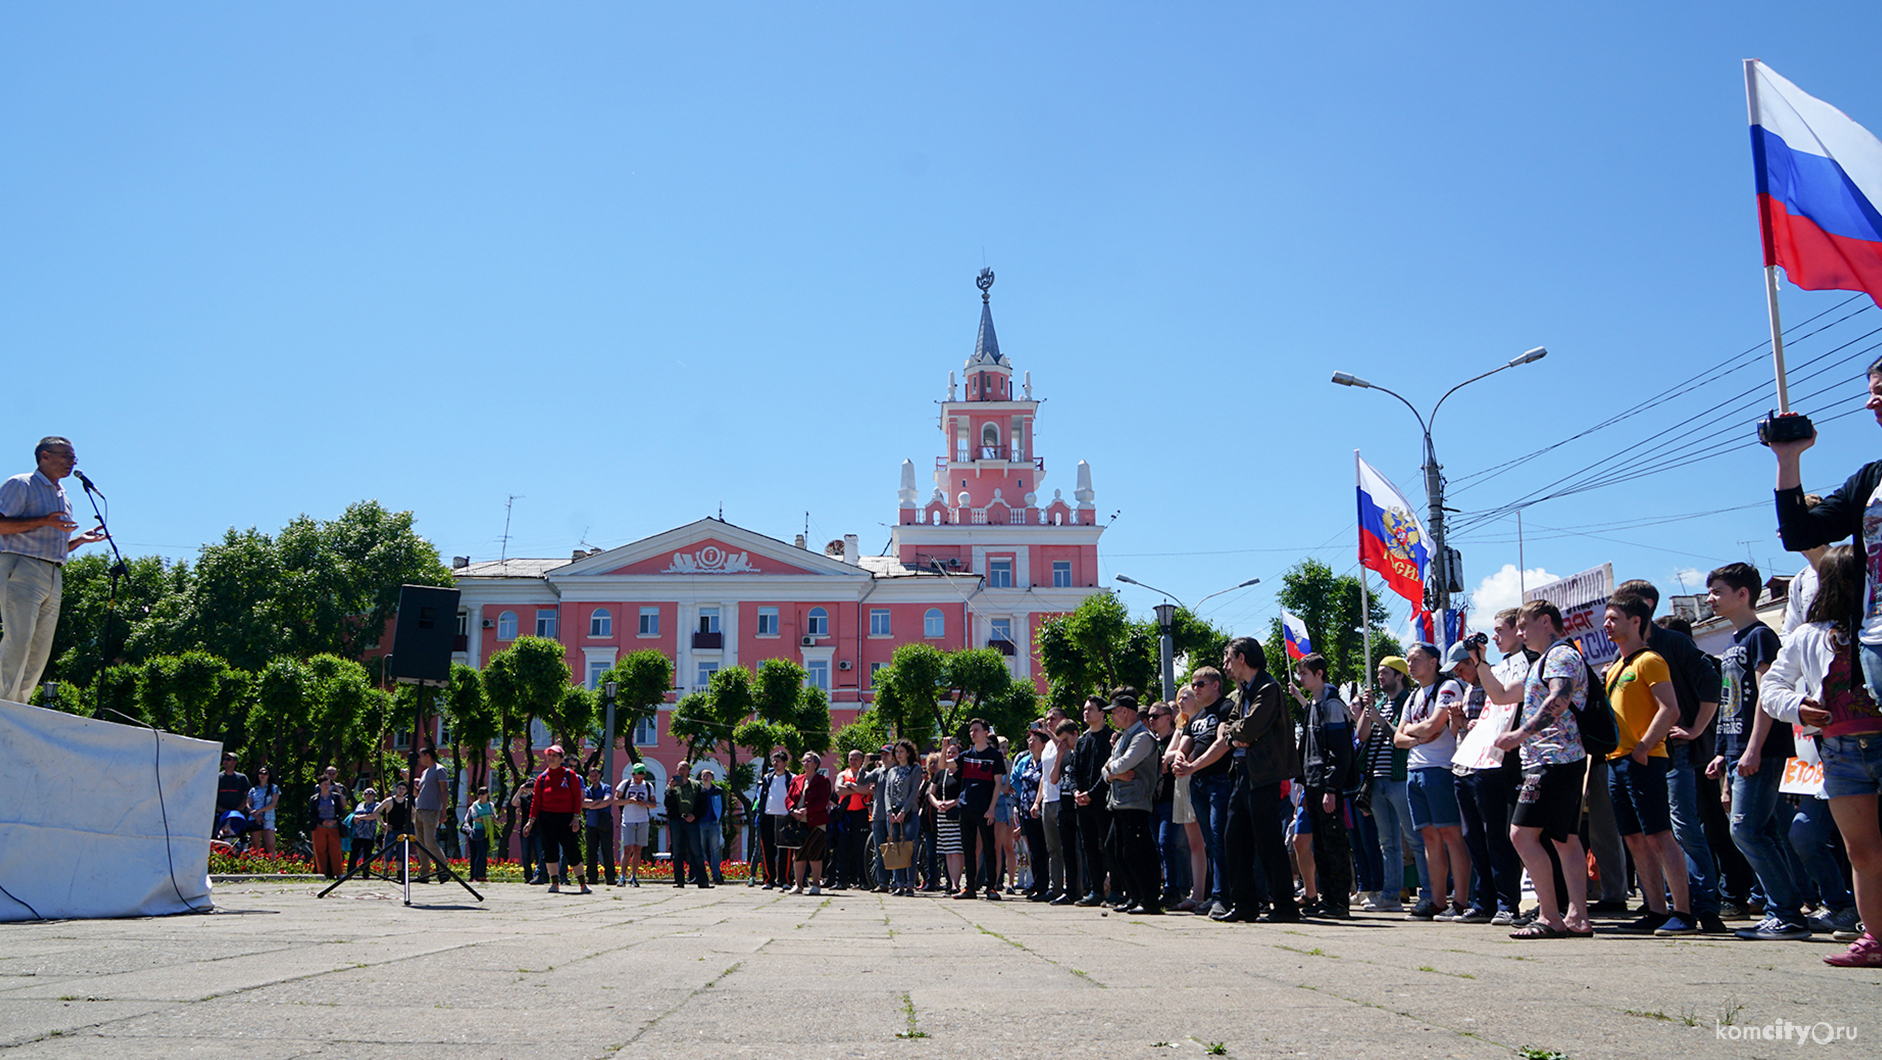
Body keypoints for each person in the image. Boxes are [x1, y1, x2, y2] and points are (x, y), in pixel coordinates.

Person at [1759, 544, 1882, 966]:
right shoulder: (1806, 636)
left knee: (1864, 851)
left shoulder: (1877, 627)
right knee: (1862, 852)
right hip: (1839, 751)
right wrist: (1798, 707)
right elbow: (1771, 689)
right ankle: (1875, 938)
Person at [1616, 578, 1728, 933]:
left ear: (1643, 610)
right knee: (1645, 833)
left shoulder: (1670, 643)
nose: (1611, 622)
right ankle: (1660, 907)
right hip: (1635, 757)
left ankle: (1703, 907)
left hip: (1673, 751)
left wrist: (1696, 729)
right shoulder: (1623, 657)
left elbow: (1713, 682)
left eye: (1622, 611)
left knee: (1681, 828)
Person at [1479, 600, 1593, 939]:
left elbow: (1559, 697)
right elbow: (1500, 695)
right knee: (1564, 839)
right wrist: (1480, 662)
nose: (1521, 633)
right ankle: (1577, 916)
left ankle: (1550, 915)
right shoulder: (1545, 661)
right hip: (1558, 760)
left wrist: (1521, 733)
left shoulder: (1561, 655)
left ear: (1547, 622)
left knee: (1521, 835)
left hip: (1552, 759)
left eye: (1525, 626)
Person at [1600, 593, 1694, 936]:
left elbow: (1670, 708)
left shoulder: (1649, 661)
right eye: (1607, 618)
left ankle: (1682, 911)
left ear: (1636, 621)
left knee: (1659, 835)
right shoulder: (1616, 668)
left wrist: (1643, 747)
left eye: (1614, 618)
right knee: (1635, 839)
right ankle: (1656, 909)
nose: (1607, 624)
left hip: (1644, 760)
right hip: (1616, 760)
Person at [0, 436, 107, 704]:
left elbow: (51, 541)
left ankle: (19, 709)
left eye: (74, 458)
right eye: (67, 456)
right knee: (19, 640)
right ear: (45, 455)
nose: (72, 462)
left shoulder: (64, 497)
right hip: (21, 566)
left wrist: (80, 540)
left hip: (53, 572)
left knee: (40, 650)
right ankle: (2, 703)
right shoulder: (22, 483)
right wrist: (43, 521)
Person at [1453, 616, 1529, 927]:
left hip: (1501, 760)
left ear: (1518, 631)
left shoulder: (1527, 664)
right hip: (1472, 757)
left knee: (1497, 834)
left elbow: (1503, 698)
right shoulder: (1494, 669)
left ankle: (1507, 902)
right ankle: (1482, 900)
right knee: (1473, 834)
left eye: (1500, 631)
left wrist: (1482, 662)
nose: (1495, 637)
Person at [1220, 636, 1298, 923]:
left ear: (1243, 658)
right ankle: (1244, 905)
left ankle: (1285, 907)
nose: (1227, 665)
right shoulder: (1243, 692)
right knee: (1233, 838)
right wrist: (1234, 735)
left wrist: (1238, 734)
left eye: (1230, 658)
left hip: (1264, 774)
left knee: (1268, 842)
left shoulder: (1268, 687)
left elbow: (1251, 727)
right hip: (1243, 774)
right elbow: (1230, 726)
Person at [1396, 643, 1471, 921]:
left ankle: (1461, 900)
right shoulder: (1413, 695)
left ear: (1433, 662)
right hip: (1415, 771)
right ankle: (1436, 900)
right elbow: (1398, 738)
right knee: (1429, 838)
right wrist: (1420, 736)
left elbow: (1435, 725)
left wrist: (1416, 733)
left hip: (1440, 769)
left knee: (1452, 835)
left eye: (1416, 659)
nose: (1411, 665)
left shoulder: (1448, 687)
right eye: (1408, 660)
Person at [1356, 657, 1429, 913]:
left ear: (1400, 675)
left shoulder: (1407, 702)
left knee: (1414, 838)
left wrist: (1380, 721)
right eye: (1377, 673)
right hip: (1376, 779)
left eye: (1384, 672)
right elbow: (1362, 736)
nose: (1379, 677)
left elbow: (1402, 735)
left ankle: (1428, 893)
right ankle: (1390, 894)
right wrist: (1368, 713)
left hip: (1399, 777)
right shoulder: (1378, 705)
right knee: (1387, 842)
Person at [1291, 653, 1354, 919]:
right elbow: (1307, 749)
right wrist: (1305, 784)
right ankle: (1326, 899)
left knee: (1333, 845)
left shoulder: (1332, 704)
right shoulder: (1313, 705)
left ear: (1319, 674)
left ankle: (1338, 902)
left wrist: (1331, 788)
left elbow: (1340, 752)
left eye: (1305, 673)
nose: (1301, 678)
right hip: (1314, 783)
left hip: (1327, 786)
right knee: (1321, 845)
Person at [1172, 668, 1235, 916]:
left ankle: (1222, 897)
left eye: (1201, 684)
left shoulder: (1225, 708)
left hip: (1219, 781)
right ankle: (1211, 894)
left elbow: (1222, 743)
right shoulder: (1197, 716)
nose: (1195, 688)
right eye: (1193, 684)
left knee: (1219, 839)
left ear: (1216, 685)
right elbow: (1184, 744)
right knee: (1209, 842)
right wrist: (1180, 758)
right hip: (1197, 784)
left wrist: (1192, 766)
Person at [1101, 692, 1161, 915]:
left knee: (1138, 851)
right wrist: (1113, 774)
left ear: (1125, 712)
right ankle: (1134, 896)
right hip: (1119, 802)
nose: (1112, 717)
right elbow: (1107, 770)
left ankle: (1149, 899)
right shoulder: (1123, 737)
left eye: (1114, 712)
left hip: (1135, 803)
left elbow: (1123, 764)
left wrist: (1112, 771)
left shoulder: (1142, 737)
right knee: (1116, 849)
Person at [522, 745, 590, 895]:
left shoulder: (569, 775)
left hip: (566, 818)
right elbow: (536, 801)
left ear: (561, 759)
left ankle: (583, 884)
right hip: (546, 818)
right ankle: (554, 883)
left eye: (554, 755)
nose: (551, 758)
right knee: (550, 851)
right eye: (549, 755)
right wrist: (530, 821)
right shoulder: (542, 777)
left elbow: (576, 798)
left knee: (572, 851)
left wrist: (576, 818)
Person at [954, 719, 1008, 901]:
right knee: (968, 849)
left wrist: (992, 808)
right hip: (966, 807)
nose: (972, 733)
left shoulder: (994, 755)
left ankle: (991, 886)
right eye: (971, 730)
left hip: (985, 809)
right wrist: (946, 747)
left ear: (985, 732)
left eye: (976, 730)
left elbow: (998, 783)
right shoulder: (966, 755)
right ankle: (969, 887)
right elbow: (945, 766)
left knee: (989, 847)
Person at [787, 751, 832, 895]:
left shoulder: (822, 780)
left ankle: (816, 884)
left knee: (815, 853)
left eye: (809, 760)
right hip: (799, 821)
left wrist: (807, 810)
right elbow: (788, 798)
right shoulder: (797, 780)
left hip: (816, 822)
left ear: (816, 764)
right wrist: (793, 810)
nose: (805, 763)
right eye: (804, 761)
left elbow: (823, 801)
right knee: (798, 854)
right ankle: (798, 884)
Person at [883, 739, 923, 896]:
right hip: (893, 813)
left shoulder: (915, 769)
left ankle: (910, 884)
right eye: (897, 752)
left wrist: (904, 812)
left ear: (908, 753)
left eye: (901, 751)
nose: (899, 755)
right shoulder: (892, 771)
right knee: (896, 848)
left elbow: (914, 793)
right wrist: (889, 811)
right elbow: (887, 792)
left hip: (909, 813)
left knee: (909, 849)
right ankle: (899, 884)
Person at [833, 750, 873, 890]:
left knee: (861, 848)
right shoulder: (842, 775)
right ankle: (841, 880)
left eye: (856, 759)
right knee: (842, 847)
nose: (853, 761)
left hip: (861, 814)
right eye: (851, 759)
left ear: (862, 760)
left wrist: (850, 786)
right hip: (845, 815)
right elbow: (838, 790)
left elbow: (868, 790)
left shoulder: (867, 775)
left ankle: (863, 880)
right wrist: (858, 789)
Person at [930, 746, 966, 892]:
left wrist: (953, 803)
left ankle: (956, 884)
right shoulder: (940, 774)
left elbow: (966, 793)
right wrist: (937, 803)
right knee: (947, 850)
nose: (951, 755)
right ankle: (951, 883)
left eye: (954, 753)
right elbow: (931, 793)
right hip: (942, 814)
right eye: (948, 753)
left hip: (956, 814)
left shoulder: (963, 773)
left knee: (956, 849)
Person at [755, 752, 793, 889]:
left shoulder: (791, 778)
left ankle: (785, 880)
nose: (775, 763)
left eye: (778, 761)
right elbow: (761, 798)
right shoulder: (767, 778)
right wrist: (760, 815)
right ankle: (769, 879)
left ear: (785, 763)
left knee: (785, 851)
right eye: (773, 761)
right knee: (767, 850)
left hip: (785, 817)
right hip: (768, 817)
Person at [617, 763, 657, 887]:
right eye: (637, 777)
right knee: (627, 848)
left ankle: (633, 876)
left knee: (638, 849)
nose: (639, 780)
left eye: (641, 777)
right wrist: (629, 801)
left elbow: (654, 803)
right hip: (628, 819)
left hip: (643, 820)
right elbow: (616, 800)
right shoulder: (625, 784)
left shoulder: (648, 786)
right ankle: (622, 876)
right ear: (633, 774)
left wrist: (645, 803)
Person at [308, 766, 351, 880]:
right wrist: (322, 821)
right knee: (320, 850)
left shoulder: (335, 797)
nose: (326, 786)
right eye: (324, 784)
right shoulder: (314, 798)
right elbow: (311, 813)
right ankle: (321, 873)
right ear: (320, 786)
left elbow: (341, 810)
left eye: (328, 784)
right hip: (319, 826)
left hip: (334, 826)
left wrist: (334, 820)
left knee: (335, 850)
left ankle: (338, 873)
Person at [580, 767, 617, 887]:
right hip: (591, 824)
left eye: (595, 775)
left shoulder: (606, 787)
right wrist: (598, 802)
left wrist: (592, 805)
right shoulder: (587, 789)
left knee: (607, 850)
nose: (594, 778)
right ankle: (592, 878)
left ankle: (610, 878)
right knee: (591, 852)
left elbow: (607, 801)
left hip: (605, 824)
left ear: (600, 775)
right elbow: (583, 803)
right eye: (591, 776)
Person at [696, 767, 726, 884]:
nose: (705, 777)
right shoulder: (699, 790)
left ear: (712, 778)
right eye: (703, 775)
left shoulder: (718, 790)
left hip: (714, 823)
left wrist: (719, 819)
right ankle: (702, 876)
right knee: (700, 850)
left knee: (715, 851)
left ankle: (716, 876)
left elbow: (723, 806)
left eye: (707, 775)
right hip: (701, 823)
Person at [377, 781, 413, 877]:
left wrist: (409, 823)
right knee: (387, 852)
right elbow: (376, 811)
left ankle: (399, 873)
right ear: (396, 789)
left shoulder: (407, 802)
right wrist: (383, 824)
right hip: (391, 831)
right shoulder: (389, 801)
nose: (401, 791)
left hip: (402, 831)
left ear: (406, 791)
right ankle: (385, 872)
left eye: (403, 789)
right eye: (399, 788)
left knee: (400, 853)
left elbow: (414, 812)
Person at [244, 766, 280, 854]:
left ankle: (273, 865)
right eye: (260, 773)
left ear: (269, 775)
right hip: (255, 819)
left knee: (270, 845)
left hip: (268, 817)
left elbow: (273, 804)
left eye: (265, 773)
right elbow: (248, 804)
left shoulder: (273, 788)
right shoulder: (253, 790)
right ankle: (256, 864)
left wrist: (259, 811)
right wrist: (254, 814)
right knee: (255, 846)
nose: (262, 775)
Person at [347, 788, 381, 876]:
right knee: (354, 852)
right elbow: (354, 815)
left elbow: (374, 816)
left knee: (367, 853)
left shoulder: (377, 805)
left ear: (374, 796)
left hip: (369, 833)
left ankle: (366, 873)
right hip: (357, 833)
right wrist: (354, 818)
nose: (368, 795)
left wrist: (361, 817)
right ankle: (350, 872)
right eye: (366, 794)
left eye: (371, 794)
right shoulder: (360, 805)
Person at [215, 753, 250, 835]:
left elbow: (247, 796)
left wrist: (237, 809)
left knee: (237, 838)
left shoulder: (241, 778)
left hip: (237, 816)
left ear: (234, 762)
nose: (225, 761)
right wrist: (220, 809)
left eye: (228, 759)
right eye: (224, 759)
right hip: (220, 815)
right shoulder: (218, 777)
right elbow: (211, 795)